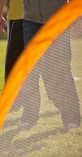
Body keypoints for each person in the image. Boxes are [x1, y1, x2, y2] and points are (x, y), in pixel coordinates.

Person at [18, 0, 81, 130]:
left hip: (57, 17)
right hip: (31, 20)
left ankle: (71, 118)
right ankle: (30, 116)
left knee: (62, 68)